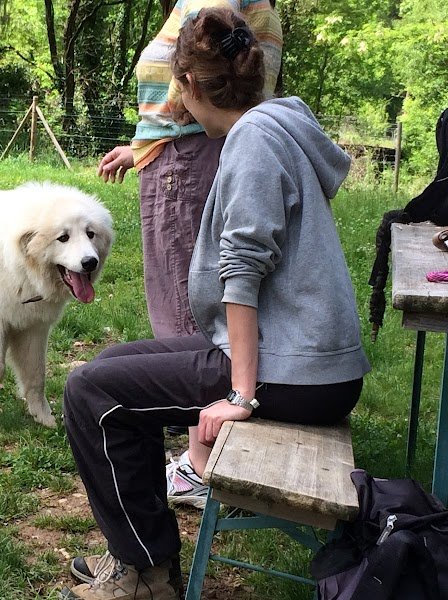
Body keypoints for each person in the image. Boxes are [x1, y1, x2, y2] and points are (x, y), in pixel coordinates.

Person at [61, 7, 371, 600]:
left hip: (298, 372)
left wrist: (240, 396)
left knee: (90, 392)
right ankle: (141, 554)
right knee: (108, 367)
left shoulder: (253, 141)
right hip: (304, 359)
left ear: (189, 86)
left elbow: (243, 274)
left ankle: (145, 573)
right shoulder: (274, 122)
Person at [96, 0, 282, 498]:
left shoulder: (215, 13)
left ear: (191, 85)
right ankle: (209, 450)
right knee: (180, 324)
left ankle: (201, 464)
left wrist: (170, 138)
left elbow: (207, 65)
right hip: (183, 148)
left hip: (189, 158)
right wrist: (144, 146)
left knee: (187, 321)